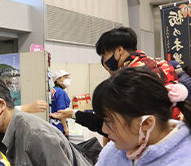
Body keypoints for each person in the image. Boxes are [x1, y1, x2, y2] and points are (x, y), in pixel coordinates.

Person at [52, 27, 180, 132]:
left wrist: (75, 114)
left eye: (105, 54)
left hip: (150, 138)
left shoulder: (128, 76)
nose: (105, 59)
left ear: (119, 50)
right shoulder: (161, 63)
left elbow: (114, 126)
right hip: (176, 131)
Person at [50, 70, 72, 137]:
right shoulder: (61, 92)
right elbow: (62, 112)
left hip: (51, 124)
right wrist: (65, 128)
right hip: (59, 125)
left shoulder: (52, 91)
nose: (67, 79)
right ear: (58, 79)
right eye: (65, 77)